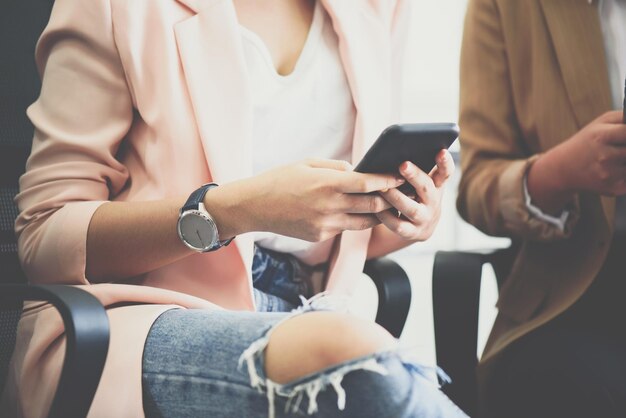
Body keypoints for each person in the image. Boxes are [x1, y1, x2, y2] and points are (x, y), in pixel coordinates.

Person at [0, 0, 468, 417]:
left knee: (356, 356)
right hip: (145, 314)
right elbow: (45, 234)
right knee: (356, 359)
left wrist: (405, 214)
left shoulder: (378, 7)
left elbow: (344, 240)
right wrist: (233, 211)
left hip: (313, 303)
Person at [458, 0, 626, 417]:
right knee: (564, 384)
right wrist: (560, 170)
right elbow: (477, 189)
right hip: (576, 292)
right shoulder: (504, 8)